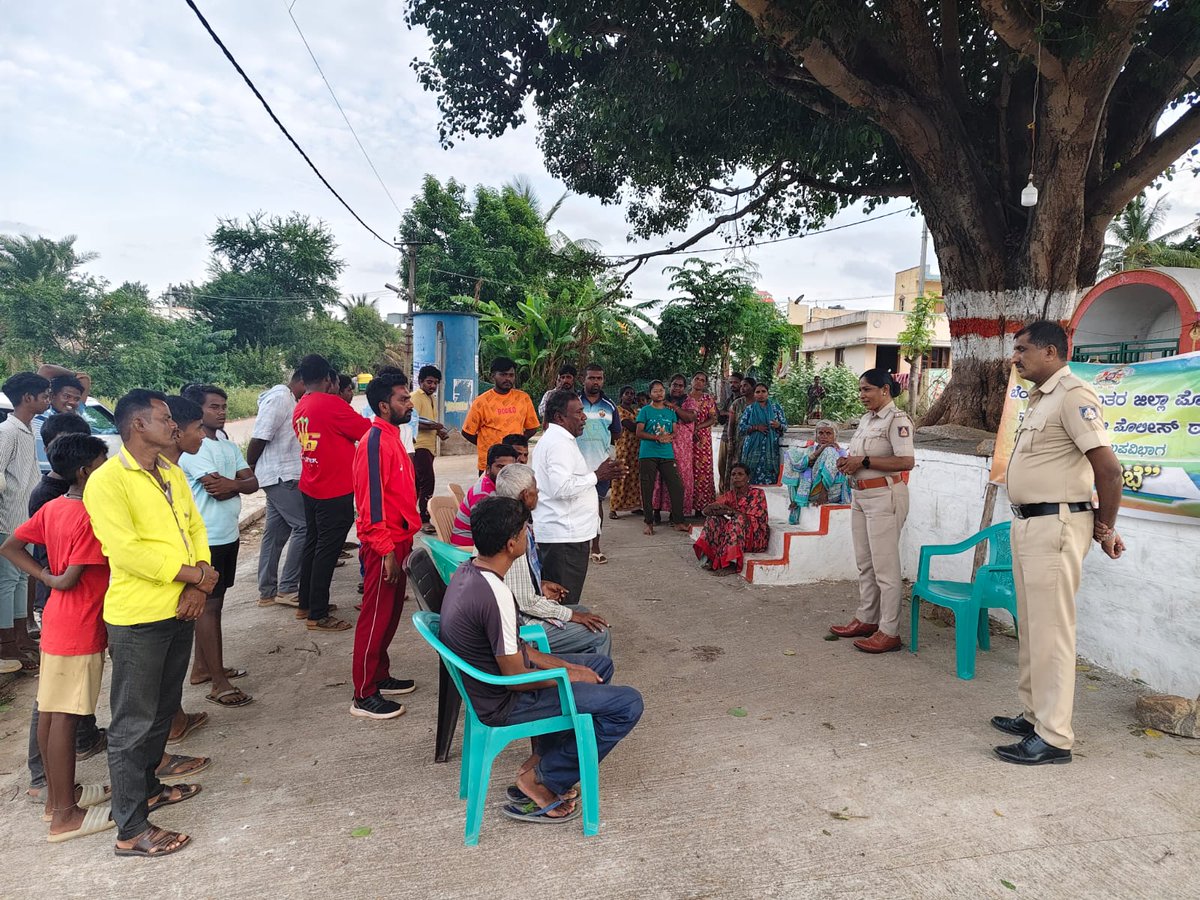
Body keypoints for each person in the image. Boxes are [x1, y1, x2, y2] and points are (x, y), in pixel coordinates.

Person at [439, 495, 642, 823]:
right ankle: (543, 778)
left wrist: (572, 668)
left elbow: (521, 649)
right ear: (510, 544)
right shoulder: (497, 596)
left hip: (491, 684)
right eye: (524, 531)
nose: (528, 536)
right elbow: (516, 676)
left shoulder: (469, 571)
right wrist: (569, 677)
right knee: (628, 704)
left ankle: (546, 761)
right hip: (503, 701)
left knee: (598, 666)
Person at [84, 390, 216, 859]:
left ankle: (150, 788)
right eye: (164, 419)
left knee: (163, 710)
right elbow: (126, 551)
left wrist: (199, 584)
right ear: (138, 425)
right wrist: (194, 576)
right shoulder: (108, 481)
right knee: (130, 724)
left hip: (181, 607)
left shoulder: (171, 472)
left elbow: (194, 529)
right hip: (139, 617)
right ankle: (131, 829)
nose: (174, 426)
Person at [991, 321, 1124, 766]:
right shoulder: (1041, 398)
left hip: (1057, 527)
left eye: (1023, 349)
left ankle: (1055, 737)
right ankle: (1034, 717)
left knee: (1053, 634)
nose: (1016, 357)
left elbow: (1108, 471)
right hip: (1031, 525)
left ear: (1051, 352)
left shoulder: (1074, 397)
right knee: (1032, 628)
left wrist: (1104, 529)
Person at [1, 433, 113, 841]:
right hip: (80, 625)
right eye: (104, 463)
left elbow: (12, 546)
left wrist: (44, 577)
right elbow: (72, 577)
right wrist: (56, 577)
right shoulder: (89, 517)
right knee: (65, 716)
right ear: (86, 471)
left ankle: (57, 800)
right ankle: (65, 814)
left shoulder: (53, 508)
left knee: (50, 713)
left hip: (56, 622)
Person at [179, 385, 258, 708]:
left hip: (227, 534)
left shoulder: (224, 443)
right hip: (206, 538)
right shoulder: (193, 450)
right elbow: (216, 488)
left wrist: (236, 485)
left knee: (217, 605)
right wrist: (239, 485)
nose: (222, 412)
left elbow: (252, 482)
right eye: (214, 407)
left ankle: (203, 667)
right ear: (198, 411)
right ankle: (219, 682)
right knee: (208, 609)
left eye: (224, 406)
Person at [829, 369, 915, 654]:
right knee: (865, 562)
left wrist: (863, 459)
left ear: (885, 390)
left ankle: (889, 631)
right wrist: (850, 463)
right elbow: (862, 458)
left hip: (885, 496)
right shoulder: (867, 420)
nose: (862, 395)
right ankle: (867, 618)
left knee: (885, 568)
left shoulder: (897, 420)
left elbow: (906, 461)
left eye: (867, 389)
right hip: (861, 496)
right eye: (861, 390)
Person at [351, 374, 421, 720]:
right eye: (403, 399)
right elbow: (371, 505)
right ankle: (363, 693)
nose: (409, 404)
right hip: (385, 544)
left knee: (390, 615)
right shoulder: (375, 441)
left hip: (400, 539)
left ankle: (380, 675)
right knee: (375, 617)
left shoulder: (394, 437)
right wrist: (385, 550)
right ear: (383, 406)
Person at [494, 463, 612, 656]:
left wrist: (539, 585)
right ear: (525, 495)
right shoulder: (513, 534)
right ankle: (591, 682)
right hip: (521, 625)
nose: (538, 492)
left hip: (517, 611)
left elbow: (514, 583)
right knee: (599, 632)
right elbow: (527, 603)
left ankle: (581, 673)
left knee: (583, 611)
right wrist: (572, 616)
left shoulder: (507, 519)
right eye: (535, 489)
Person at [293, 354, 371, 632]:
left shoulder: (301, 405)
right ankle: (318, 613)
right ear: (329, 379)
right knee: (327, 549)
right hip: (333, 488)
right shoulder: (331, 404)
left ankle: (307, 603)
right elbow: (366, 431)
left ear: (303, 379)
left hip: (311, 484)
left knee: (313, 544)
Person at [531, 390, 623, 606]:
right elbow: (561, 487)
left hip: (568, 535)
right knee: (563, 602)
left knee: (564, 599)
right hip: (564, 538)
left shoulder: (562, 440)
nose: (584, 417)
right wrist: (597, 476)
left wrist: (598, 472)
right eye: (579, 412)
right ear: (559, 417)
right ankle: (563, 639)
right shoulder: (557, 443)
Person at [0, 372, 51, 672]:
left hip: (25, 518)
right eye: (43, 395)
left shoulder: (27, 428)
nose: (47, 400)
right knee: (8, 581)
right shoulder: (7, 431)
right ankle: (6, 642)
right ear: (27, 398)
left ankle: (20, 636)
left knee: (21, 579)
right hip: (8, 517)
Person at [247, 369, 306, 609]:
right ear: (302, 381)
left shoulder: (290, 399)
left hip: (280, 474)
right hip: (280, 475)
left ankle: (267, 591)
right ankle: (289, 588)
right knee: (304, 527)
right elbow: (260, 436)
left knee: (275, 534)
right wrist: (250, 466)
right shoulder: (280, 397)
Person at [462, 356, 540, 474]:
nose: (508, 378)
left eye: (511, 375)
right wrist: (488, 446)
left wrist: (515, 445)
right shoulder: (481, 402)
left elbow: (532, 427)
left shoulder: (523, 398)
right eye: (503, 375)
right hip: (490, 464)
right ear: (493, 376)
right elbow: (467, 432)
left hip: (515, 463)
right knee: (489, 492)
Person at [577, 364, 622, 564]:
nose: (595, 382)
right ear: (583, 379)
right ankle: (577, 546)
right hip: (575, 465)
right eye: (591, 378)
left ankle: (595, 547)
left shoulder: (610, 406)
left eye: (599, 378)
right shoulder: (574, 403)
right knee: (574, 506)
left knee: (596, 506)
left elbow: (617, 433)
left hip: (601, 466)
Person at [692, 462, 769, 576]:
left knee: (738, 520)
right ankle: (710, 557)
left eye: (740, 474)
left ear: (748, 477)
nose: (736, 477)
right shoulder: (730, 495)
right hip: (738, 532)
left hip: (756, 536)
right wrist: (714, 508)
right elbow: (706, 511)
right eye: (733, 474)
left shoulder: (757, 493)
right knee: (713, 519)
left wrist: (726, 509)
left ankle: (732, 563)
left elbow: (746, 519)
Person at [636, 380, 687, 536]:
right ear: (650, 393)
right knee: (647, 488)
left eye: (661, 390)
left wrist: (669, 437)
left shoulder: (670, 411)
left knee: (677, 486)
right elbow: (639, 432)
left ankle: (678, 521)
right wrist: (656, 438)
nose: (659, 393)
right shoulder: (645, 410)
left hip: (666, 454)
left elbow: (675, 431)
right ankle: (649, 523)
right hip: (648, 454)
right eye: (655, 391)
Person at [451, 443, 518, 547]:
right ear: (487, 469)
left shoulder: (502, 488)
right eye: (500, 467)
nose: (505, 473)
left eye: (509, 468)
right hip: (468, 550)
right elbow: (488, 533)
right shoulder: (482, 493)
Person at [782, 420, 850, 523]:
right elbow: (800, 466)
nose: (824, 436)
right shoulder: (810, 450)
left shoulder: (840, 452)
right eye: (821, 433)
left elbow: (841, 475)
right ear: (816, 436)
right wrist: (819, 451)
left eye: (828, 433)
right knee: (791, 454)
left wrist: (824, 492)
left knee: (830, 451)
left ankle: (823, 491)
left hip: (830, 492)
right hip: (808, 492)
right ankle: (795, 499)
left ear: (834, 437)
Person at [412, 365, 450, 535]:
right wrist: (434, 426)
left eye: (435, 383)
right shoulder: (415, 397)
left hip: (429, 447)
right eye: (429, 382)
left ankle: (413, 517)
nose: (432, 386)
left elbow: (427, 422)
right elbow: (412, 422)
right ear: (420, 382)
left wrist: (437, 431)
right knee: (427, 482)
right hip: (419, 446)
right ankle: (424, 519)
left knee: (418, 484)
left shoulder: (431, 398)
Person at [653, 375, 697, 519]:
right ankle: (656, 510)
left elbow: (689, 418)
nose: (677, 388)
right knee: (659, 476)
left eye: (680, 385)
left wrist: (674, 407)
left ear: (685, 388)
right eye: (674, 385)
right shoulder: (661, 400)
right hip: (662, 442)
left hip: (682, 446)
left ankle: (676, 512)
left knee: (680, 477)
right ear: (669, 386)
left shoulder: (689, 401)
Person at [33, 374, 86, 468]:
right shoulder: (38, 414)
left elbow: (86, 379)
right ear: (52, 396)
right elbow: (46, 370)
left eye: (76, 399)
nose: (72, 402)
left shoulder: (75, 419)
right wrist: (72, 374)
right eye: (66, 396)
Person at [738, 382, 786, 484]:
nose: (761, 394)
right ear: (754, 394)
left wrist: (778, 425)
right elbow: (741, 428)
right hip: (752, 446)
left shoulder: (776, 408)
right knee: (751, 475)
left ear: (768, 393)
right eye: (758, 392)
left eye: (763, 391)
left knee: (770, 474)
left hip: (771, 446)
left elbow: (784, 426)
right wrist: (756, 427)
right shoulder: (749, 409)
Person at [608, 386, 641, 517]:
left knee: (634, 477)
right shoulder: (618, 410)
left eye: (632, 394)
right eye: (627, 393)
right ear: (621, 395)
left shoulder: (635, 411)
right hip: (624, 448)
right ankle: (613, 508)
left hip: (636, 449)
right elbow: (631, 426)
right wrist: (643, 423)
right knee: (619, 476)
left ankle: (634, 505)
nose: (630, 396)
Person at [689, 372, 718, 515]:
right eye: (697, 379)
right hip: (686, 439)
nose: (699, 382)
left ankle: (702, 509)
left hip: (703, 441)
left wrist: (698, 427)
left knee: (703, 473)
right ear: (692, 380)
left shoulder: (708, 399)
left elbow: (713, 419)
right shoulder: (685, 399)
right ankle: (685, 506)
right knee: (687, 472)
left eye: (702, 380)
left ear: (705, 384)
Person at [720, 376, 754, 492]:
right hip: (738, 442)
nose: (742, 388)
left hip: (754, 443)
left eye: (745, 385)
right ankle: (730, 496)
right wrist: (730, 441)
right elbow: (731, 424)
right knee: (735, 470)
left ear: (753, 387)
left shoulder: (759, 403)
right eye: (742, 386)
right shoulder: (736, 403)